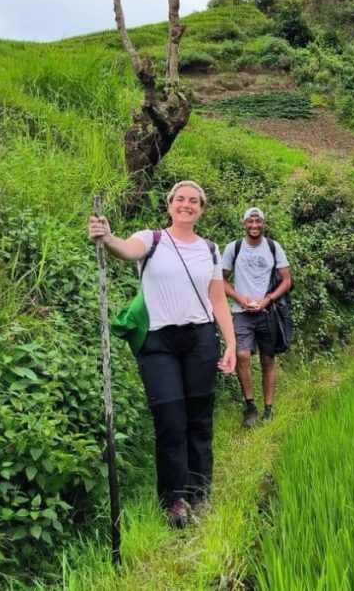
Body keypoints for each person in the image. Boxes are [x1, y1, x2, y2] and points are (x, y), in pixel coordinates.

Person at [87, 180, 236, 528]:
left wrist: (231, 344)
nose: (186, 204)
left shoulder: (210, 250)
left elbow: (218, 301)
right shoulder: (151, 239)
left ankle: (199, 492)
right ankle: (174, 499)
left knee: (200, 421)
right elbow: (125, 249)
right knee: (170, 421)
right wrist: (107, 237)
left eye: (193, 201)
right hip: (159, 344)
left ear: (201, 208)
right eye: (180, 199)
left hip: (200, 339)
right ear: (170, 205)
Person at [222, 207, 291, 428]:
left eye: (258, 221)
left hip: (267, 312)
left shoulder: (273, 247)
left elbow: (286, 280)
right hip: (241, 312)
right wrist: (239, 297)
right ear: (244, 224)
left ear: (263, 223)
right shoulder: (234, 248)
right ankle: (250, 406)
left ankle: (268, 408)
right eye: (250, 222)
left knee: (267, 359)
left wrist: (267, 299)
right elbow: (221, 280)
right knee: (242, 355)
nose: (254, 226)